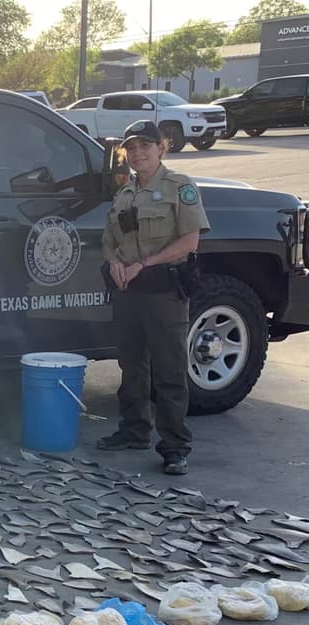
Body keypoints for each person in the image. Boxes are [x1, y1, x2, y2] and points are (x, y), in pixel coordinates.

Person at [97, 119, 209, 476]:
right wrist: (114, 261)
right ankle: (133, 430)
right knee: (131, 367)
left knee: (169, 372)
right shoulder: (124, 194)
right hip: (128, 292)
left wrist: (145, 263)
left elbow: (189, 241)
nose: (137, 153)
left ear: (162, 146)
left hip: (164, 291)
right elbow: (108, 240)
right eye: (131, 148)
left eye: (145, 146)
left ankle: (175, 446)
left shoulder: (180, 187)